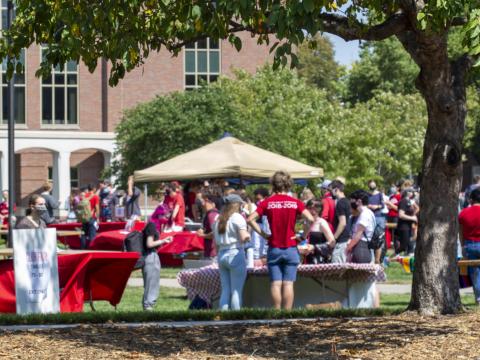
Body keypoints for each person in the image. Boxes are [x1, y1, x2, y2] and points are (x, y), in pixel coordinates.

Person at [248, 170, 313, 310]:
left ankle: (277, 313)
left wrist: (264, 234)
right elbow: (311, 219)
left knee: (276, 283)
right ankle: (287, 314)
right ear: (288, 184)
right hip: (291, 247)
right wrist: (302, 236)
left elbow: (250, 219)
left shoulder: (267, 202)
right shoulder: (295, 202)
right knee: (288, 283)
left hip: (274, 247)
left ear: (273, 184)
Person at [214, 194, 251, 310]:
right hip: (235, 252)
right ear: (237, 205)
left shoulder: (218, 218)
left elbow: (215, 241)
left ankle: (223, 317)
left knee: (225, 290)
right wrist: (248, 234)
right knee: (236, 291)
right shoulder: (237, 217)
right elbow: (244, 237)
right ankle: (236, 318)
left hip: (221, 253)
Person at [142, 222, 173, 311]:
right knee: (152, 283)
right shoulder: (152, 225)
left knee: (150, 283)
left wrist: (163, 241)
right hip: (151, 256)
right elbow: (149, 244)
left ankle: (147, 305)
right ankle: (148, 306)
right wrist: (163, 241)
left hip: (149, 256)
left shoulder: (152, 226)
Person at [459, 188, 480, 303]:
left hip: (470, 245)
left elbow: (460, 232)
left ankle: (478, 297)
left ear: (471, 199)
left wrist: (462, 246)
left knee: (475, 273)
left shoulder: (463, 213)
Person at [346, 190, 376, 263]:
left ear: (359, 201)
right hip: (363, 248)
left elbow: (358, 235)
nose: (350, 203)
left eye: (352, 200)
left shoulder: (364, 214)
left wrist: (347, 248)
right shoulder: (369, 213)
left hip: (361, 249)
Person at [304, 200, 335, 264]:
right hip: (307, 258)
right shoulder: (306, 222)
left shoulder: (322, 223)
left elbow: (332, 243)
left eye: (313, 209)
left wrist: (315, 247)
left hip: (319, 260)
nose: (309, 211)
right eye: (308, 208)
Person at [330, 180, 351, 263]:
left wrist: (334, 238)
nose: (330, 192)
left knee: (336, 266)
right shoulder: (347, 201)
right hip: (347, 239)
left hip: (342, 240)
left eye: (330, 190)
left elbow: (342, 223)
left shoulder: (340, 203)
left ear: (336, 189)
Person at [196, 193, 221, 259]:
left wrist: (202, 235)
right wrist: (201, 230)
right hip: (210, 251)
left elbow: (215, 233)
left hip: (213, 252)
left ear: (213, 204)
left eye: (206, 201)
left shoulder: (212, 215)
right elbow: (205, 229)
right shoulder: (208, 214)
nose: (203, 204)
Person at [395, 188, 418, 255]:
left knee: (406, 245)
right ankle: (388, 259)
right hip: (403, 226)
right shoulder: (403, 201)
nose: (413, 193)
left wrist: (413, 215)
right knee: (403, 246)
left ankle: (392, 258)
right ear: (407, 193)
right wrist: (412, 218)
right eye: (411, 191)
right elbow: (401, 215)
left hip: (408, 226)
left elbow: (416, 209)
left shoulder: (409, 201)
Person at [251, 187, 270, 262]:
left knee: (263, 242)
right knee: (256, 243)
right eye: (256, 198)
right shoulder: (255, 204)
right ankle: (256, 257)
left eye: (258, 198)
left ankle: (263, 257)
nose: (257, 200)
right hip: (257, 224)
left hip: (264, 224)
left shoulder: (266, 203)